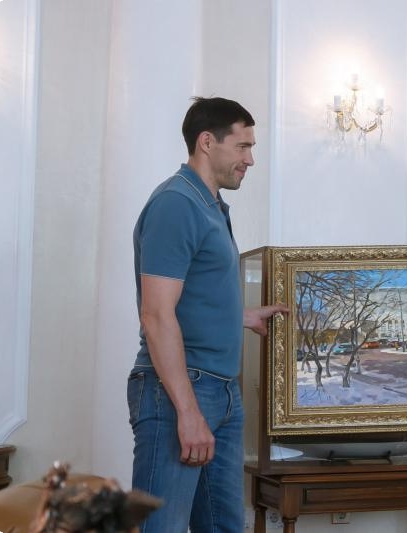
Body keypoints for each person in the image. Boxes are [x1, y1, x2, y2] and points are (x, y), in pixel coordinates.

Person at [128, 97, 288, 533]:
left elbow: (190, 295)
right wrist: (188, 411)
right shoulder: (176, 204)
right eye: (242, 147)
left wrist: (241, 315)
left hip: (221, 390)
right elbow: (156, 314)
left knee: (223, 527)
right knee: (162, 527)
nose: (250, 160)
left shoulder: (210, 206)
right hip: (181, 391)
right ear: (206, 142)